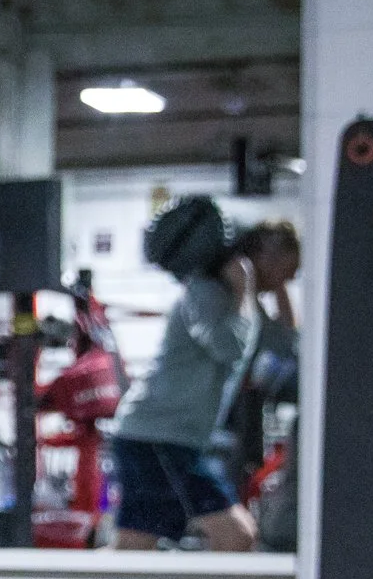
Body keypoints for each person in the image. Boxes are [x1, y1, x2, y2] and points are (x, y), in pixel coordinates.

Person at [108, 219, 299, 552]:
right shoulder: (207, 291)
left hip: (171, 439)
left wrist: (270, 288)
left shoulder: (243, 304)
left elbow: (286, 345)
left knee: (135, 545)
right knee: (237, 535)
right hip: (158, 437)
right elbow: (229, 346)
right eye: (288, 269)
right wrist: (245, 290)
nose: (290, 278)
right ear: (264, 255)